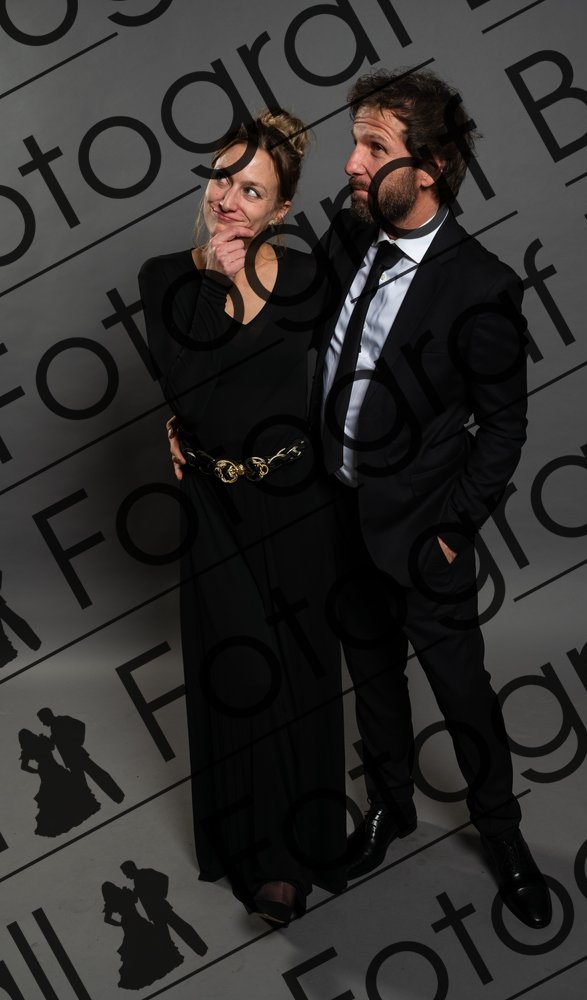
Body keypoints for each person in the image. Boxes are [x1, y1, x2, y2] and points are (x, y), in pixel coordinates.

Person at [309, 67, 552, 929]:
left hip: (423, 534)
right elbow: (299, 338)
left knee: (462, 693)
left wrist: (452, 528)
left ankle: (504, 835)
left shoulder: (481, 285)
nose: (351, 163)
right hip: (340, 514)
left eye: (373, 147)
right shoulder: (347, 235)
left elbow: (505, 428)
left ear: (434, 166)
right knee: (371, 675)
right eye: (355, 143)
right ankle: (391, 806)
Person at [138, 109, 346, 926]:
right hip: (212, 504)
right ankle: (251, 851)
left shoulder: (308, 278)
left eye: (252, 189)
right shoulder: (166, 277)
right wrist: (221, 290)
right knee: (240, 674)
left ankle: (294, 855)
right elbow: (189, 397)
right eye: (223, 177)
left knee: (299, 673)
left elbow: (350, 376)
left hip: (297, 499)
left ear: (281, 210)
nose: (229, 197)